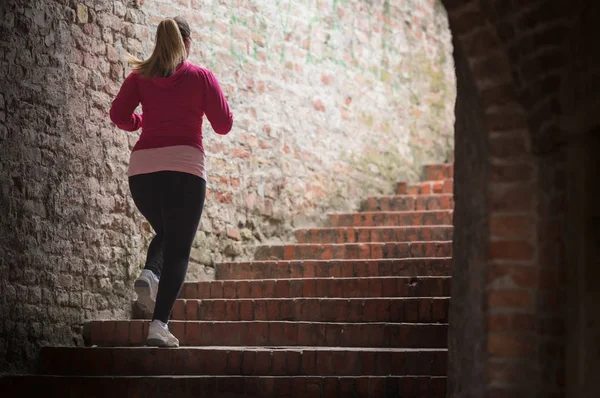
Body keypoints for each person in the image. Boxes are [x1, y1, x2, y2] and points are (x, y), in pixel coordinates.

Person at [109, 16, 233, 347]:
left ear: (159, 44)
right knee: (179, 249)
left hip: (142, 173)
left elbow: (118, 115)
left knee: (167, 233)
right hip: (185, 171)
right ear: (187, 44)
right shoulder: (201, 77)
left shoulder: (140, 76)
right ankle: (158, 326)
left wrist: (141, 121)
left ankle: (150, 273)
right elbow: (223, 125)